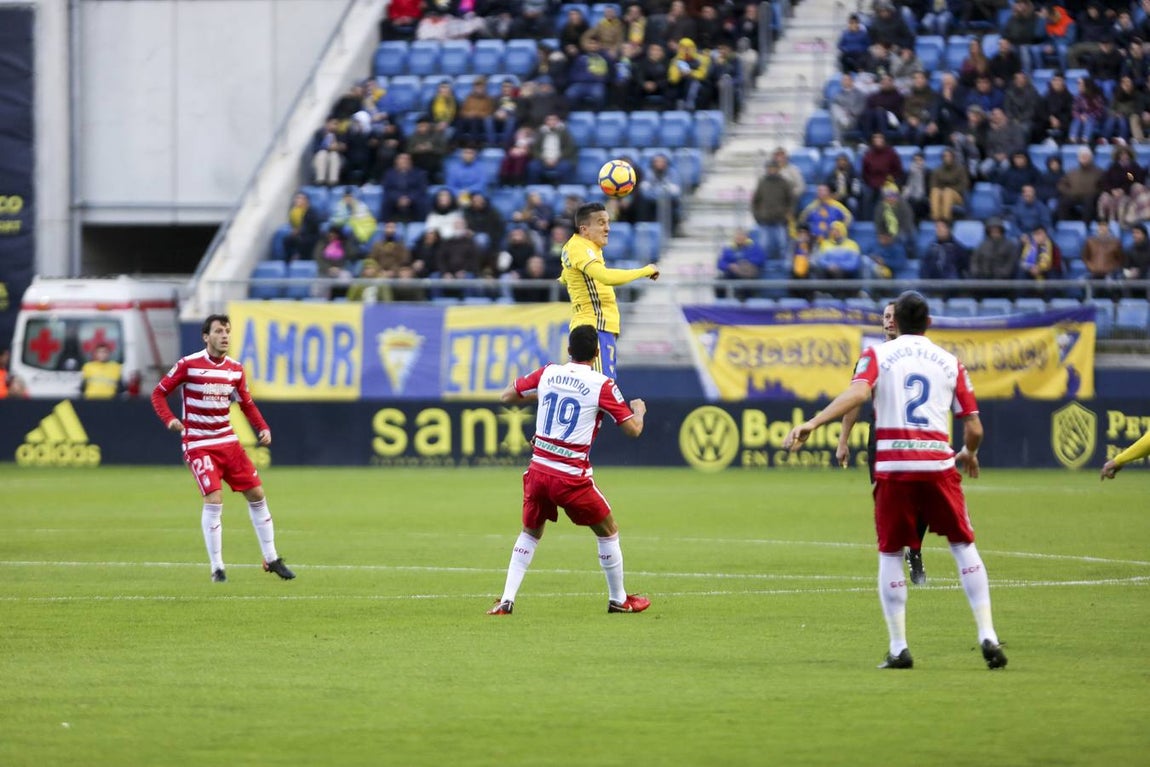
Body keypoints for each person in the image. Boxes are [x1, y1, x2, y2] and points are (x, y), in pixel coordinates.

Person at [785, 291, 1007, 671]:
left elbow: (858, 392)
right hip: (938, 465)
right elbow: (974, 427)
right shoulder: (951, 363)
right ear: (930, 323)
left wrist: (813, 422)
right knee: (963, 546)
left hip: (894, 466)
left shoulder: (877, 355)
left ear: (896, 322)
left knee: (890, 553)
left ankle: (899, 646)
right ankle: (987, 634)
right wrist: (969, 452)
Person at [487, 324, 650, 616]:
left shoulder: (549, 373)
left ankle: (506, 600)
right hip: (570, 476)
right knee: (608, 531)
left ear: (568, 350)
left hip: (538, 471)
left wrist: (550, 395)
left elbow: (507, 396)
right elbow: (633, 431)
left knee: (530, 532)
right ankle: (618, 599)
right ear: (597, 352)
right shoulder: (602, 384)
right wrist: (639, 410)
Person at [150, 314, 296, 583]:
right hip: (198, 444)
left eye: (227, 330)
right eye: (219, 331)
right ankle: (217, 567)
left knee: (257, 494)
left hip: (228, 441)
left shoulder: (235, 369)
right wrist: (170, 419)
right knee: (214, 499)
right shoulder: (189, 365)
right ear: (206, 337)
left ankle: (272, 558)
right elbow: (158, 393)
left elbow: (247, 403)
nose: (225, 335)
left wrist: (262, 427)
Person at [836, 302, 927, 585]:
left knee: (922, 500)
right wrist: (843, 440)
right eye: (885, 316)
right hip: (883, 435)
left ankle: (915, 549)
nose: (889, 321)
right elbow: (855, 398)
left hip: (917, 436)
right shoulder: (873, 356)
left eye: (894, 316)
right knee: (887, 501)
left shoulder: (919, 356)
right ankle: (894, 558)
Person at [560, 202, 660, 379]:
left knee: (599, 392)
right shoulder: (579, 247)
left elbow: (566, 276)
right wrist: (645, 271)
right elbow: (605, 277)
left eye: (608, 222)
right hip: (594, 329)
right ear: (584, 229)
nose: (607, 228)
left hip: (596, 328)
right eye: (601, 223)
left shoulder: (583, 247)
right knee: (600, 392)